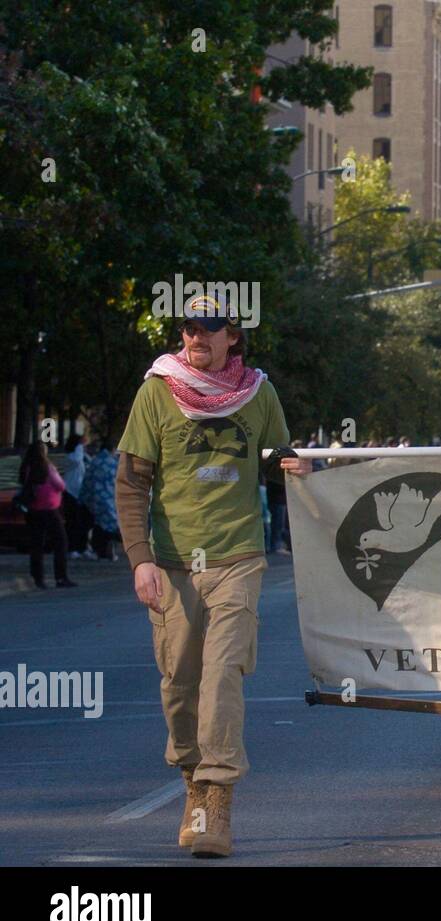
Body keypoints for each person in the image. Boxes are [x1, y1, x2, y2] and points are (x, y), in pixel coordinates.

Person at [115, 297, 308, 858]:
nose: (197, 336)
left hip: (237, 558)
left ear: (233, 338)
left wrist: (294, 464)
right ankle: (192, 780)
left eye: (210, 327)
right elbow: (132, 483)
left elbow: (277, 455)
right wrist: (139, 558)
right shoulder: (157, 391)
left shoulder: (259, 393)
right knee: (180, 686)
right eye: (189, 327)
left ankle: (216, 799)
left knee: (222, 674)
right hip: (173, 564)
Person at [18, 442, 76, 589]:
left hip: (33, 510)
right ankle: (61, 577)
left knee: (37, 545)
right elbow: (60, 485)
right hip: (50, 510)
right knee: (61, 542)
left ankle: (38, 578)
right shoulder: (47, 468)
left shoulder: (27, 468)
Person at [84, 442, 121, 560]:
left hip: (96, 497)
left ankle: (99, 551)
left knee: (99, 525)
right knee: (110, 526)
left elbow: (87, 480)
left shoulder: (95, 461)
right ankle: (109, 551)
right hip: (110, 497)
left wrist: (85, 498)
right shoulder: (114, 463)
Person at [61, 432, 94, 558]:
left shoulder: (82, 456)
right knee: (72, 522)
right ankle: (72, 548)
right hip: (71, 493)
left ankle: (83, 546)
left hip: (82, 493)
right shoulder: (71, 457)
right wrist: (80, 445)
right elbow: (76, 459)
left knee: (84, 522)